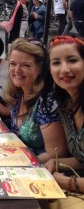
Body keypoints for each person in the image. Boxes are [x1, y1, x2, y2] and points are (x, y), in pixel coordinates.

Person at [5, 38, 68, 163]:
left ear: (39, 70)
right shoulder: (19, 94)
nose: (17, 70)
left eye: (26, 65)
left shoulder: (47, 102)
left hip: (38, 171)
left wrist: (19, 162)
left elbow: (56, 153)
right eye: (13, 64)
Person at [45, 36, 84, 193]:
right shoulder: (65, 106)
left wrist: (67, 182)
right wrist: (56, 162)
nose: (64, 69)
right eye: (56, 63)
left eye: (72, 60)